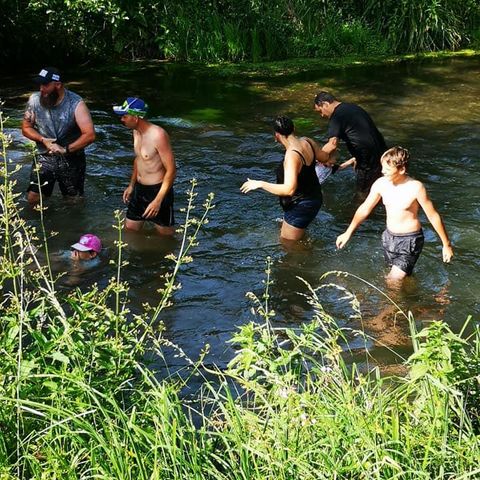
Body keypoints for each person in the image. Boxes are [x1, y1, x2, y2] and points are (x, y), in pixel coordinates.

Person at [336, 146, 453, 282]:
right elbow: (365, 208)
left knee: (392, 280)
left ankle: (388, 303)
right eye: (382, 167)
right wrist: (348, 232)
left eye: (387, 169)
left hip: (410, 240)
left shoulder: (415, 187)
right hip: (389, 238)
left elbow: (432, 215)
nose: (382, 171)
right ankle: (410, 294)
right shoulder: (381, 184)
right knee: (399, 276)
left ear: (402, 169)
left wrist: (446, 244)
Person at [240, 115, 330, 241]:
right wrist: (332, 144)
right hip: (315, 198)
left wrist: (260, 184)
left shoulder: (292, 156)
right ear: (294, 128)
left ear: (276, 135)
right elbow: (325, 157)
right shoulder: (307, 142)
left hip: (301, 205)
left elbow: (289, 189)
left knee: (289, 246)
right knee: (297, 237)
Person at [22, 67, 95, 204]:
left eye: (45, 85)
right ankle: (40, 224)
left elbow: (90, 134)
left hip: (71, 158)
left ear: (58, 85)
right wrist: (42, 139)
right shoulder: (34, 100)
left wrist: (65, 149)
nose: (41, 88)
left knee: (73, 201)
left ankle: (71, 225)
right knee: (33, 198)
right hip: (44, 155)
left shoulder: (76, 104)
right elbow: (26, 128)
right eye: (40, 84)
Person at [113, 97, 176, 235]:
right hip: (139, 190)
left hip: (157, 190)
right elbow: (139, 160)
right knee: (129, 229)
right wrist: (131, 185)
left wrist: (157, 201)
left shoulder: (158, 135)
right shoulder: (135, 132)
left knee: (166, 236)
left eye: (125, 116)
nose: (122, 119)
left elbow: (171, 170)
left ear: (136, 117)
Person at [314, 91, 387, 193]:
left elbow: (332, 144)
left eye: (320, 111)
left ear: (325, 104)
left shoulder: (336, 117)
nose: (322, 115)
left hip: (367, 160)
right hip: (383, 153)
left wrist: (316, 159)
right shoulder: (352, 107)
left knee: (363, 192)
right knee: (384, 183)